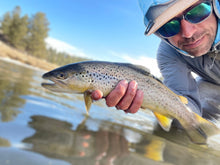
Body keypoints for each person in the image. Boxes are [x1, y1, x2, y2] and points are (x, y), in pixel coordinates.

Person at [92, 0, 220, 120]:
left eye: (198, 12)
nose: (188, 33)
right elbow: (186, 104)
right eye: (169, 26)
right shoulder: (168, 53)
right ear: (160, 34)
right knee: (180, 121)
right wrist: (151, 100)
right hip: (212, 87)